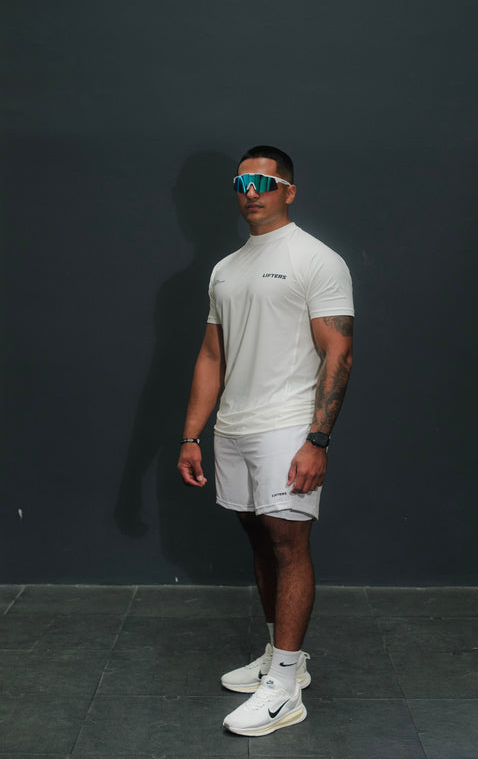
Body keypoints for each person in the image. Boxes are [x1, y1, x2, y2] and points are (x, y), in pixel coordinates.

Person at [177, 145, 354, 736]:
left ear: (289, 191)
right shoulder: (225, 269)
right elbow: (212, 355)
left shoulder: (316, 259)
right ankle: (284, 659)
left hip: (288, 426)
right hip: (233, 427)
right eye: (242, 183)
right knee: (259, 540)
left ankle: (284, 689)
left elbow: (339, 350)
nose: (251, 192)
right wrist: (192, 435)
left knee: (289, 544)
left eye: (264, 182)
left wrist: (317, 439)